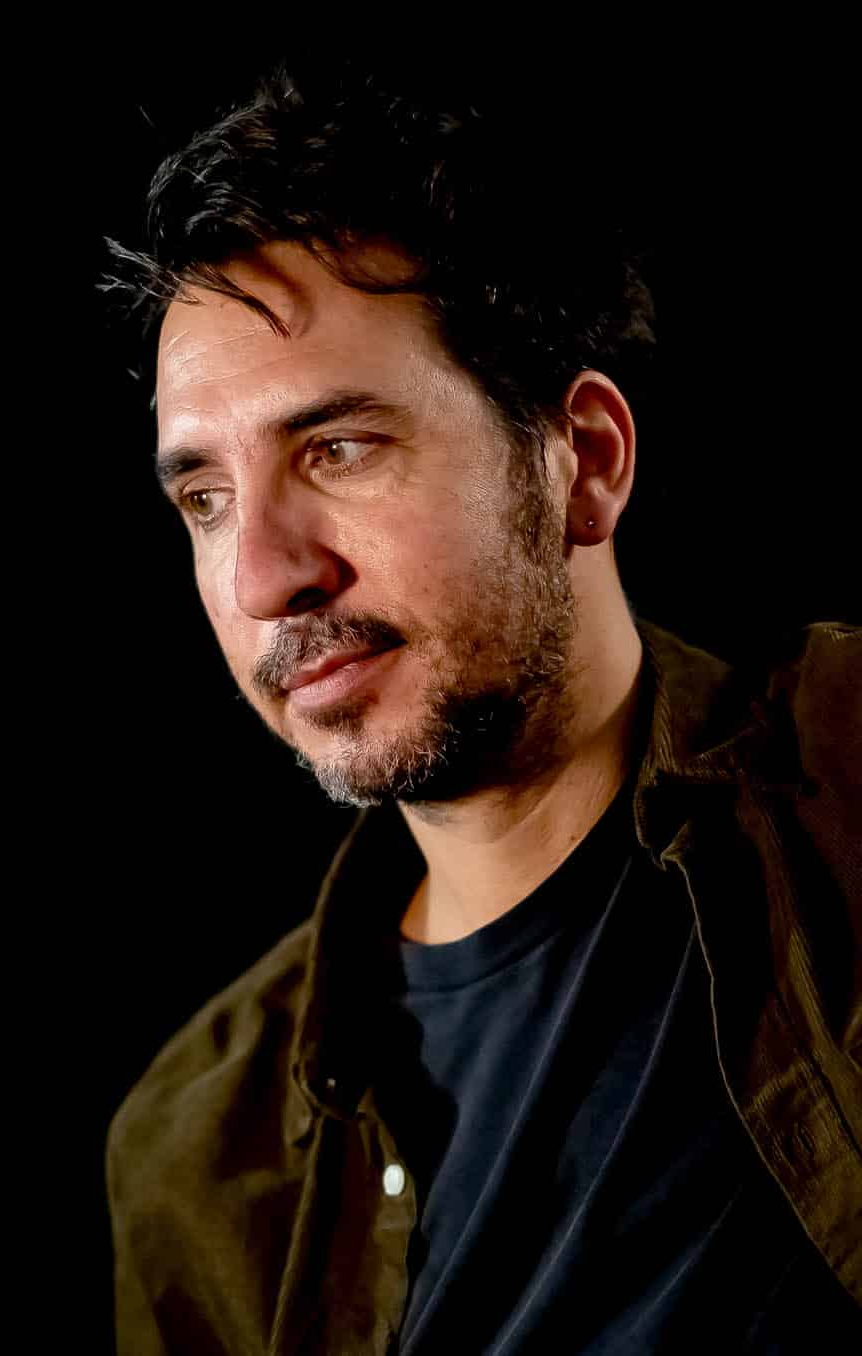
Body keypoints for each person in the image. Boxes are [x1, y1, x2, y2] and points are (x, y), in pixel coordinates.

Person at [99, 62, 861, 1354]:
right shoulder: (197, 1150)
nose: (265, 577)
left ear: (584, 463)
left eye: (339, 448)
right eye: (206, 499)